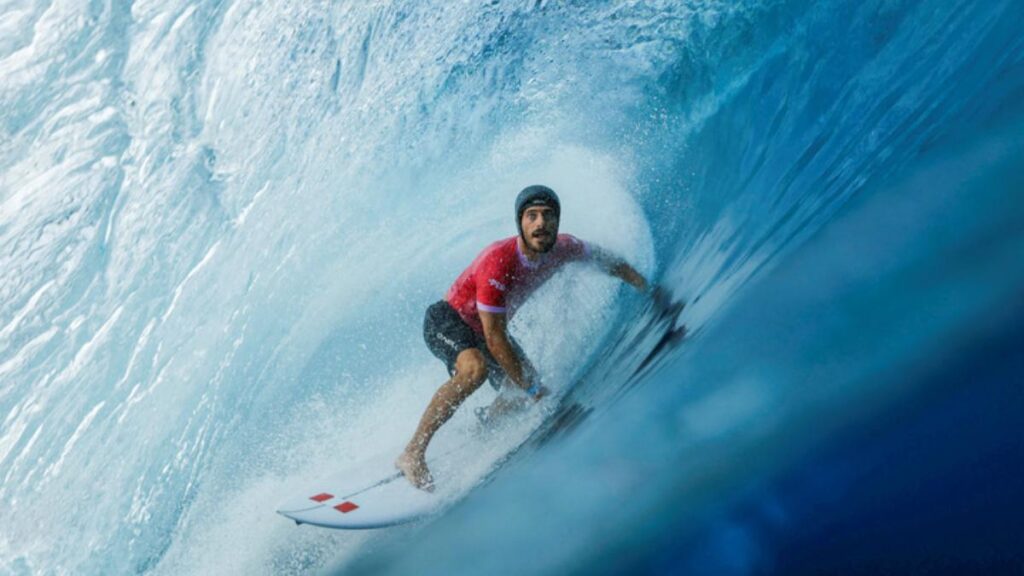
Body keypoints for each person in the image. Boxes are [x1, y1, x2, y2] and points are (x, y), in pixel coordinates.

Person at [396, 185, 649, 490]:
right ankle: (412, 453)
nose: (540, 223)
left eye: (547, 215)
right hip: (448, 320)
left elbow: (609, 262)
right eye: (532, 216)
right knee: (477, 370)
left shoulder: (565, 248)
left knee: (519, 394)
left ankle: (485, 423)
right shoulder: (498, 261)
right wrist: (533, 389)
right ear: (520, 223)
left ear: (557, 221)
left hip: (487, 330)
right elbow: (494, 337)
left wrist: (647, 287)